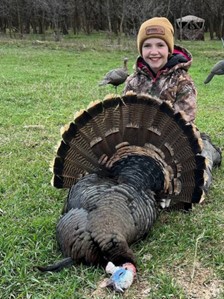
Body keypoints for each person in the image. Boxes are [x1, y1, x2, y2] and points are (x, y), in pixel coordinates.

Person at [123, 17, 222, 192]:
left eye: (160, 45)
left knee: (194, 184)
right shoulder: (133, 82)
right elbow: (127, 117)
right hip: (142, 140)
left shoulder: (182, 81)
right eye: (147, 46)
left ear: (169, 48)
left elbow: (184, 121)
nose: (154, 52)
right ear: (140, 49)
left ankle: (210, 151)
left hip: (176, 140)